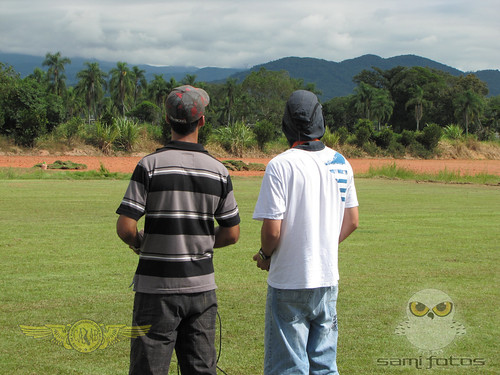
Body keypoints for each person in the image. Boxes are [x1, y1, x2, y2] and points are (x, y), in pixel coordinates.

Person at [116, 85, 240, 375]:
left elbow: (125, 227)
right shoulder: (218, 171)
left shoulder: (149, 166)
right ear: (202, 122)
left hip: (154, 289)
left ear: (168, 120)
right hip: (201, 290)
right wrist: (200, 244)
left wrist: (141, 243)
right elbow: (232, 234)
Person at [252, 90, 359, 375]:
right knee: (324, 365)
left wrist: (264, 255)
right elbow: (352, 220)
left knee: (288, 367)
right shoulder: (340, 163)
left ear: (286, 124)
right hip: (327, 280)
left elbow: (273, 230)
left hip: (289, 280)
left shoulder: (280, 165)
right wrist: (322, 245)